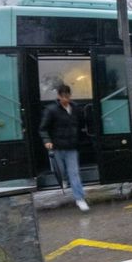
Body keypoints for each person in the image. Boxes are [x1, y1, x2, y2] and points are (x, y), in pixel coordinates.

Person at [39, 84, 89, 212]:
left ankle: (79, 198)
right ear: (58, 96)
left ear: (70, 96)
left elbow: (81, 124)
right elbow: (43, 128)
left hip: (71, 146)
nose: (65, 99)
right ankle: (65, 179)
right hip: (57, 147)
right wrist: (47, 141)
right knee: (61, 171)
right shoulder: (51, 110)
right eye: (63, 97)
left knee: (74, 172)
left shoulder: (75, 108)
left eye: (67, 97)